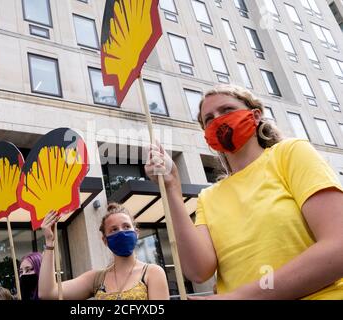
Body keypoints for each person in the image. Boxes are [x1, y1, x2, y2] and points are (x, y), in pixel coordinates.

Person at [145, 84, 343, 300]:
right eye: (209, 119)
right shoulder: (208, 197)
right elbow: (198, 271)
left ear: (256, 116)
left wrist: (240, 297)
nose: (218, 119)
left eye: (227, 110)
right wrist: (172, 187)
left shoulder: (290, 153)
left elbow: (338, 246)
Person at [38, 203, 170, 300]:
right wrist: (50, 242)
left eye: (126, 226)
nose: (122, 232)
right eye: (114, 229)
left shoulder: (152, 273)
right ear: (105, 240)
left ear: (136, 233)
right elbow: (48, 293)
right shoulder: (96, 278)